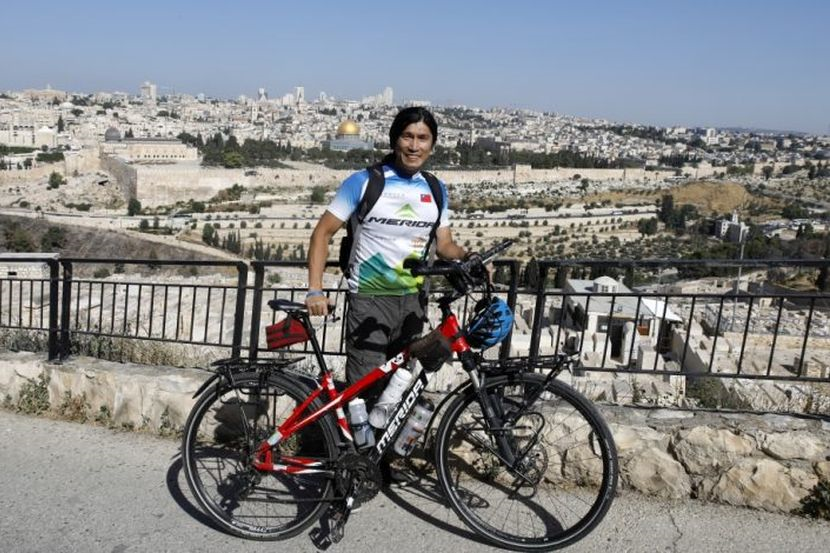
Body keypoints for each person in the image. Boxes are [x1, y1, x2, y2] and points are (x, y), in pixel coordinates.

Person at [305, 107, 467, 403]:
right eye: (407, 136)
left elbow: (445, 244)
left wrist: (469, 256)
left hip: (413, 302)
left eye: (422, 138)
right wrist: (315, 290)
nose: (414, 146)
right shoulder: (364, 182)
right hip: (369, 299)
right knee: (365, 390)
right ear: (395, 141)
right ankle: (352, 435)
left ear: (432, 145)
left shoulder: (436, 189)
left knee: (397, 390)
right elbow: (322, 234)